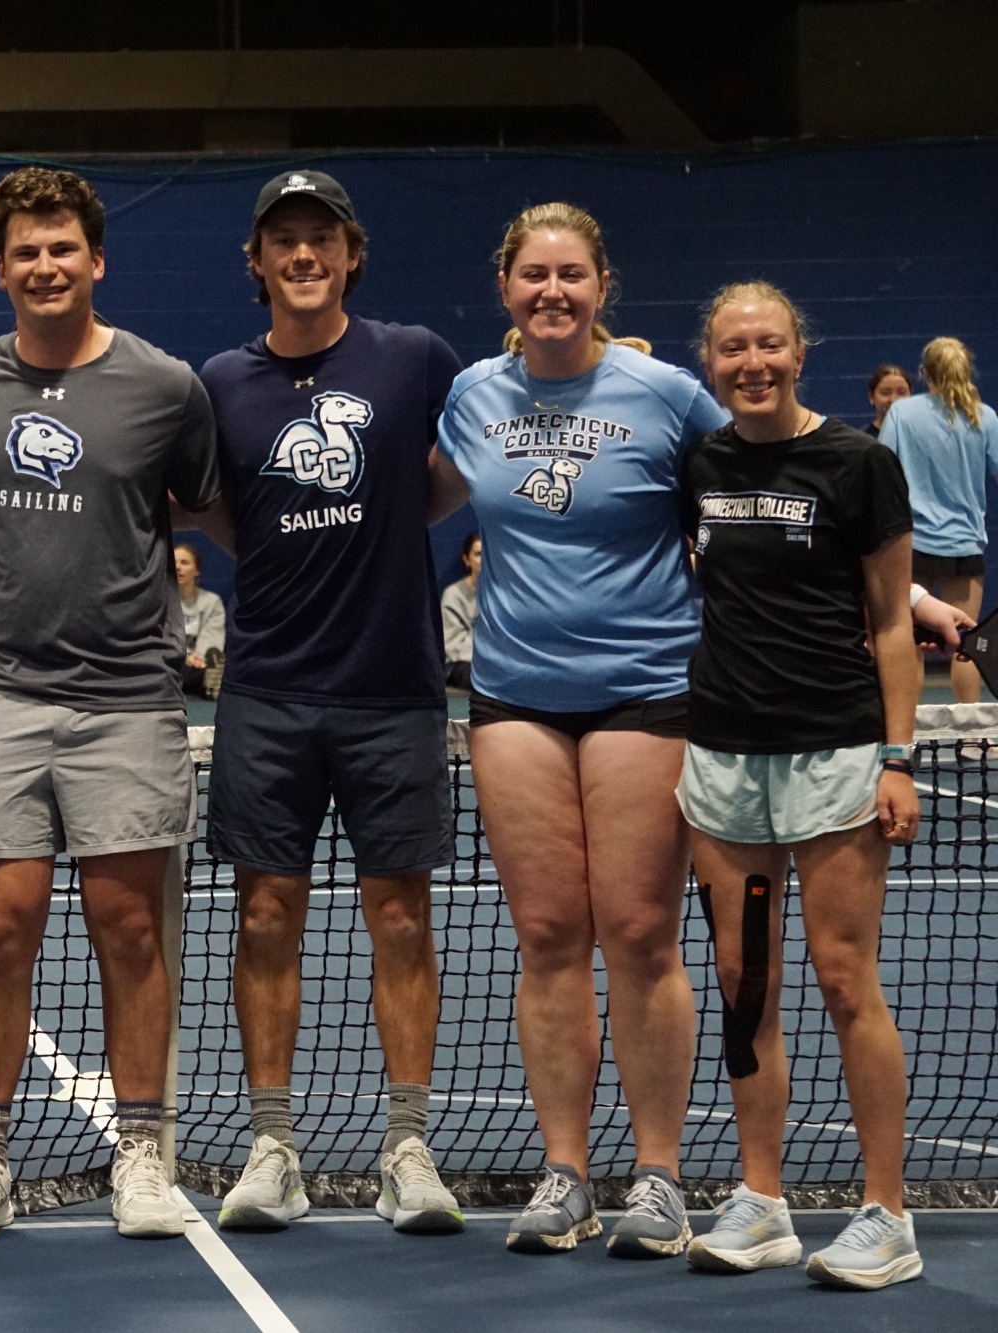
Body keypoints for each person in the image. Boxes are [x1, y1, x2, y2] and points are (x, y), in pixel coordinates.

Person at [0, 167, 221, 1242]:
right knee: (1, 928)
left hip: (128, 700)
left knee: (128, 926)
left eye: (62, 249)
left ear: (96, 260)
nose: (44, 266)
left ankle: (141, 1150)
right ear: (0, 268)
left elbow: (205, 502)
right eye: (24, 252)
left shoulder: (164, 386)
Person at [428, 202, 729, 1258]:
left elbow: (765, 492)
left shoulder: (665, 395)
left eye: (569, 274)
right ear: (504, 288)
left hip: (645, 688)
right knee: (548, 933)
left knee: (640, 931)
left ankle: (655, 1175)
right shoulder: (470, 395)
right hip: (512, 694)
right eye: (531, 276)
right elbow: (398, 505)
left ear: (601, 285)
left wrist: (901, 597)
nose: (549, 291)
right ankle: (564, 1175)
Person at [194, 170, 465, 1235]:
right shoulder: (221, 379)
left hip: (393, 688)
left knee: (399, 918)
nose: (301, 255)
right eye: (281, 242)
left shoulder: (412, 358)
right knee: (264, 915)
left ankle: (407, 1144)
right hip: (267, 688)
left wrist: (400, 520)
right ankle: (273, 1145)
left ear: (351, 253)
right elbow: (213, 507)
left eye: (320, 239)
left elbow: (456, 471)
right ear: (256, 265)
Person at [677, 282, 924, 1289]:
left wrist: (897, 756)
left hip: (832, 755)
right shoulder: (699, 461)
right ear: (709, 360)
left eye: (767, 345)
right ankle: (760, 1200)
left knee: (838, 976)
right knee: (745, 988)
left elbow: (890, 621)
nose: (751, 363)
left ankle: (886, 1213)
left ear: (797, 350)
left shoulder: (859, 462)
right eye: (731, 348)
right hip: (724, 760)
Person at [879, 337, 998, 704]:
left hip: (911, 545)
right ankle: (976, 734)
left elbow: (882, 469)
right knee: (967, 643)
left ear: (924, 372)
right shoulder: (986, 417)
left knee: (907, 638)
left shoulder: (901, 414)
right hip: (964, 544)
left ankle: (906, 732)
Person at [174, 543, 225, 696]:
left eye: (184, 562)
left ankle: (209, 682)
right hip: (173, 661)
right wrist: (184, 657)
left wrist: (199, 658)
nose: (177, 567)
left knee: (217, 668)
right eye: (174, 562)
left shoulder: (211, 601)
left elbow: (212, 637)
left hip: (200, 664)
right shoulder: (159, 601)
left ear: (196, 570)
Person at [440, 532, 481, 691]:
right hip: (462, 664)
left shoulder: (502, 594)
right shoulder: (454, 594)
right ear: (467, 559)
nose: (483, 560)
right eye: (478, 554)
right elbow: (452, 645)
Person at [861, 364, 912, 437]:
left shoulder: (921, 437)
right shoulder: (862, 442)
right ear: (871, 397)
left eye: (901, 393)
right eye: (885, 393)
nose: (893, 399)